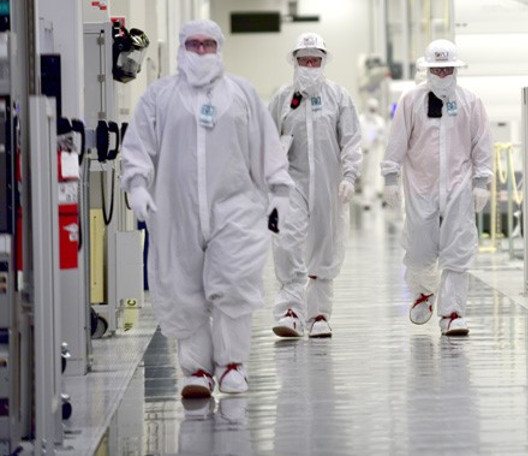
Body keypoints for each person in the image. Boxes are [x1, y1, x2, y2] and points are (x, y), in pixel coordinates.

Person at [121, 20, 293, 399]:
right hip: (175, 211)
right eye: (194, 44)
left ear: (220, 48)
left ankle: (233, 364)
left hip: (236, 208)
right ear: (182, 47)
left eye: (208, 45)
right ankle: (197, 369)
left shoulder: (242, 94)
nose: (201, 52)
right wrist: (136, 184)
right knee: (183, 289)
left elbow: (266, 145)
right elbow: (138, 145)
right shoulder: (159, 96)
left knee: (233, 284)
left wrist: (278, 189)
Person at [381, 39, 492, 336]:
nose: (442, 75)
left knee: (458, 250)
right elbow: (396, 142)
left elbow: (482, 144)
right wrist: (390, 177)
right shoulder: (411, 101)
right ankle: (423, 292)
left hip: (459, 186)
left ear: (456, 70)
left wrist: (482, 181)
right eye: (437, 69)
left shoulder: (470, 102)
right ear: (427, 70)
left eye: (447, 69)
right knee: (419, 250)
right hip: (421, 187)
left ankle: (452, 313)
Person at [269, 32, 362, 339]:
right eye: (304, 60)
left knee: (326, 243)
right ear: (294, 62)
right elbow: (267, 143)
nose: (309, 65)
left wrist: (349, 176)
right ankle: (291, 311)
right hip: (290, 183)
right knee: (287, 241)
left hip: (328, 183)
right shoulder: (282, 98)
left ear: (323, 62)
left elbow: (351, 140)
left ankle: (319, 314)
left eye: (315, 60)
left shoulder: (339, 97)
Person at [358, 97, 386, 209]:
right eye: (371, 109)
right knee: (366, 178)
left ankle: (372, 199)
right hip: (364, 153)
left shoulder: (380, 121)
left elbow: (382, 137)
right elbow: (359, 138)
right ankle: (366, 199)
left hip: (376, 154)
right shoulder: (361, 120)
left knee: (375, 176)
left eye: (374, 109)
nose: (372, 111)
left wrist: (377, 135)